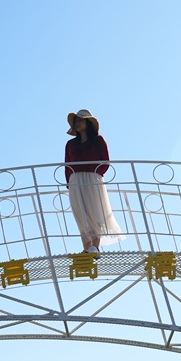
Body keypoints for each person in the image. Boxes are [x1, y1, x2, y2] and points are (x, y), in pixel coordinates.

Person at [65, 109, 123, 255]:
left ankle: (95, 247)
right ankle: (86, 247)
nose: (77, 123)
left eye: (80, 120)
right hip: (75, 180)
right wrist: (69, 184)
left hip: (93, 178)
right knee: (80, 212)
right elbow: (67, 165)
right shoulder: (70, 144)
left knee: (95, 210)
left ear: (88, 122)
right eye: (75, 121)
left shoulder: (98, 140)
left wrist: (96, 175)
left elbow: (105, 161)